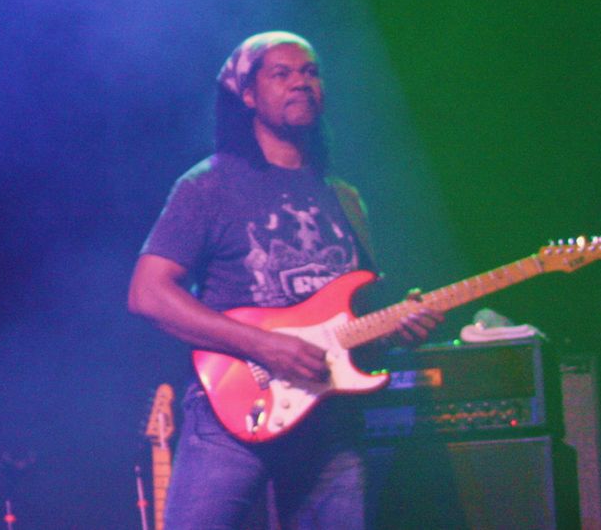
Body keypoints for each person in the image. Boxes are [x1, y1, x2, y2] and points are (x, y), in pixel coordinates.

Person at [126, 31, 440, 530]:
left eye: (310, 72)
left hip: (329, 420)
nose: (301, 82)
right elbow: (147, 293)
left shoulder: (345, 198)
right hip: (233, 406)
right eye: (282, 73)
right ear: (248, 95)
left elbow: (353, 322)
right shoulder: (209, 184)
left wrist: (398, 328)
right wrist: (264, 346)